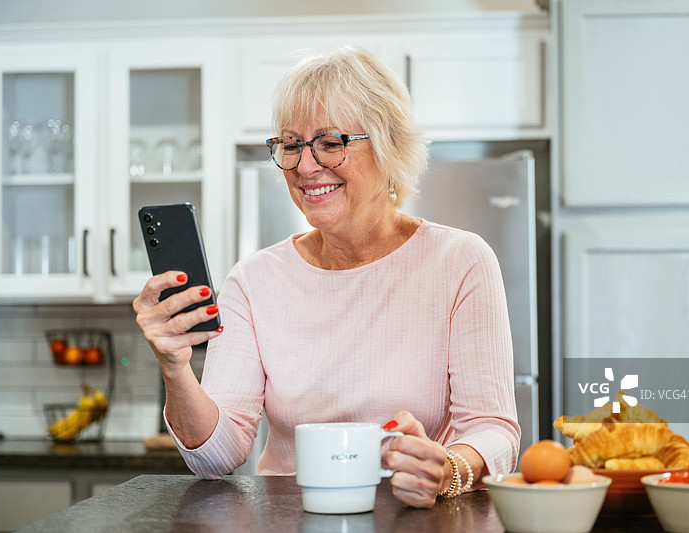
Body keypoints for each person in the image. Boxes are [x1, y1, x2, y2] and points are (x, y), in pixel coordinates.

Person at [133, 45, 520, 508]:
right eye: (292, 144)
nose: (305, 166)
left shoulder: (461, 261)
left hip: (414, 517)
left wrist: (449, 468)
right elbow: (216, 458)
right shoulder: (253, 281)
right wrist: (175, 369)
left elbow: (493, 430)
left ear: (390, 144)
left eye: (331, 143)